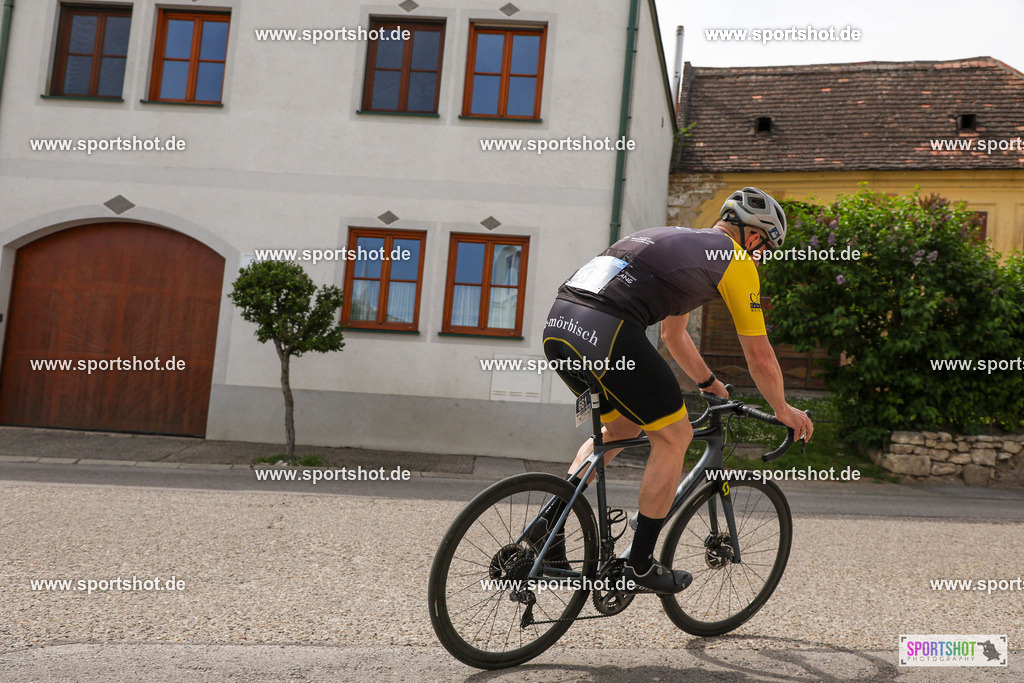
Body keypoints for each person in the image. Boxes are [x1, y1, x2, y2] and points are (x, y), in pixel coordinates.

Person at [536, 187, 814, 593]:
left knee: (620, 431)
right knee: (674, 435)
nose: (760, 259)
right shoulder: (735, 260)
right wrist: (784, 410)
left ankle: (546, 529)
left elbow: (673, 334)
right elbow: (761, 357)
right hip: (608, 331)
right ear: (753, 237)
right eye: (764, 250)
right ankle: (641, 563)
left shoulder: (683, 246)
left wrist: (709, 384)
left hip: (560, 327)